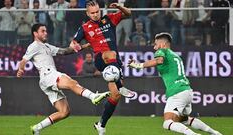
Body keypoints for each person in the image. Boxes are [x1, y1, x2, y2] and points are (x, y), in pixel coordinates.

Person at [17, 23, 110, 135]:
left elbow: (65, 51)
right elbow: (23, 60)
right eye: (43, 31)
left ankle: (37, 128)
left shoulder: (46, 46)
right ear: (35, 33)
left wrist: (85, 46)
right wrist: (21, 70)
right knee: (71, 82)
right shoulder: (34, 46)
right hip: (48, 74)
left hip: (46, 81)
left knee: (64, 112)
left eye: (46, 31)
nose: (46, 33)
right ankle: (93, 96)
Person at [128, 32, 222, 135]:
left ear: (163, 44)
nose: (155, 47)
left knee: (167, 122)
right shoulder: (176, 56)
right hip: (187, 91)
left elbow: (159, 60)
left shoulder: (162, 51)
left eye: (156, 44)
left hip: (177, 92)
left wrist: (138, 65)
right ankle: (215, 133)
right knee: (184, 120)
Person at [69, 1, 135, 134]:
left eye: (97, 11)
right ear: (87, 13)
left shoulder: (109, 19)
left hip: (114, 63)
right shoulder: (85, 27)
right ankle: (121, 87)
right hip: (101, 59)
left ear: (100, 10)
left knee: (115, 96)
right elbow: (74, 42)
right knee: (110, 54)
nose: (95, 14)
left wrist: (119, 7)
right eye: (92, 13)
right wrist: (76, 45)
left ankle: (101, 125)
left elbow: (128, 13)